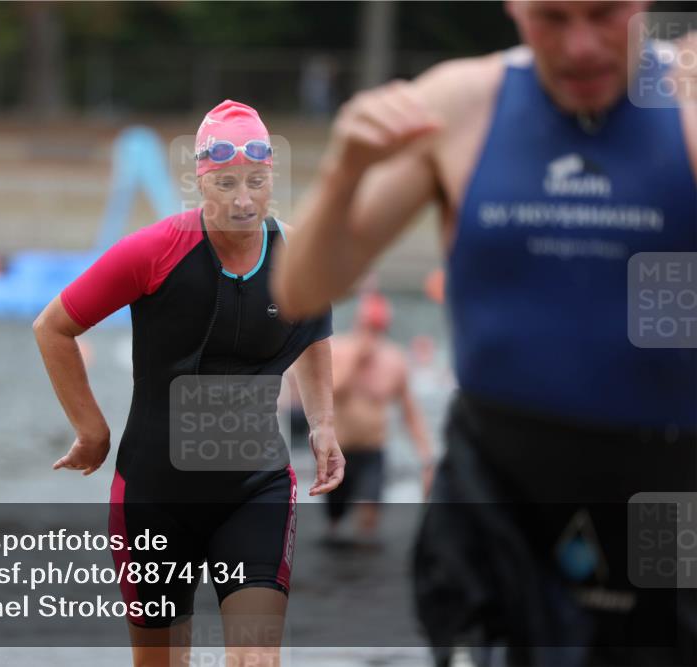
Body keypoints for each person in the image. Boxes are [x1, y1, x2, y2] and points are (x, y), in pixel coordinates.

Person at [272, 2, 696, 665]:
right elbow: (301, 291)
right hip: (500, 485)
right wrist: (344, 170)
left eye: (604, 14)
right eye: (552, 18)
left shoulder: (689, 96)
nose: (580, 45)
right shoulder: (461, 103)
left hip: (667, 485)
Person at [34, 100, 343, 667]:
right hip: (154, 498)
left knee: (256, 660)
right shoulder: (154, 251)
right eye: (226, 183)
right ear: (202, 182)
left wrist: (324, 423)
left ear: (272, 177)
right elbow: (53, 327)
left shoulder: (300, 255)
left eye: (256, 181)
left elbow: (316, 331)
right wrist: (91, 429)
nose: (244, 199)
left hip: (255, 490)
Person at [325, 291, 434, 542]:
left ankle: (367, 564)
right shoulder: (338, 350)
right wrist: (356, 360)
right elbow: (330, 394)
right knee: (335, 520)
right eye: (367, 327)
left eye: (377, 328)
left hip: (373, 450)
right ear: (357, 323)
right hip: (339, 449)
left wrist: (426, 456)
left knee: (369, 514)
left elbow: (410, 412)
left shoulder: (394, 360)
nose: (371, 334)